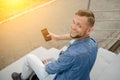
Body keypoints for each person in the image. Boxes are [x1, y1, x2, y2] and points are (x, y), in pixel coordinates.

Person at [11, 9, 98, 80]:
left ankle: (21, 78)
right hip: (80, 76)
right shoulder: (93, 43)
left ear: (89, 30)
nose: (73, 27)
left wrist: (47, 65)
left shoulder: (72, 54)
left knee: (29, 58)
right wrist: (57, 37)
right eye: (74, 22)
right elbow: (76, 36)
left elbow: (48, 70)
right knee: (51, 60)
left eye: (79, 25)